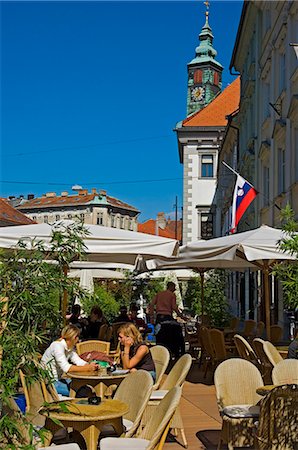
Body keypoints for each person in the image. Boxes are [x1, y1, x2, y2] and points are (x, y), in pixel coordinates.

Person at [41, 324, 98, 396]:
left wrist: (90, 365)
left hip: (59, 380)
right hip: (50, 382)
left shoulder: (69, 348)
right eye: (77, 337)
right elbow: (66, 368)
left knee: (87, 389)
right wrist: (88, 368)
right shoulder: (57, 346)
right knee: (83, 392)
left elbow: (78, 361)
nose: (78, 340)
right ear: (73, 337)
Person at [149, 281, 188, 358]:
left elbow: (152, 304)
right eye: (174, 287)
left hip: (159, 317)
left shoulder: (159, 294)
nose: (175, 289)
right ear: (170, 287)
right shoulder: (172, 295)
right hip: (167, 317)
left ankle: (159, 354)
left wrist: (151, 317)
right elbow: (174, 307)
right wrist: (181, 316)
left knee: (159, 336)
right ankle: (178, 353)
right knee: (176, 334)